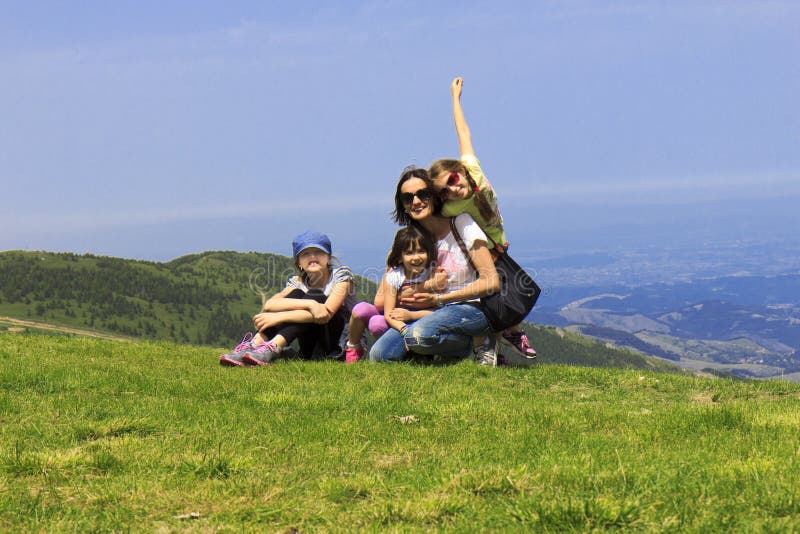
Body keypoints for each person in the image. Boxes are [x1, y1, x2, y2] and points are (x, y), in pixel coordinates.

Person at [427, 76, 537, 358]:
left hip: (501, 244)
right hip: (485, 253)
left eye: (452, 179)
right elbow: (427, 213)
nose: (452, 188)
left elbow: (464, 133)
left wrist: (455, 98)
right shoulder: (452, 208)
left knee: (503, 297)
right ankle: (501, 344)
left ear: (458, 170)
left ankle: (506, 338)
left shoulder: (471, 167)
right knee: (494, 299)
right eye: (445, 190)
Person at [369, 167, 501, 365]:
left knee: (417, 337)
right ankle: (429, 353)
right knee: (379, 356)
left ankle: (472, 343)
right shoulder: (410, 241)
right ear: (403, 205)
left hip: (470, 307)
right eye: (408, 198)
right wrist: (420, 290)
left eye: (422, 194)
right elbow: (380, 301)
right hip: (427, 313)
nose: (416, 202)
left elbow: (491, 282)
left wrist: (439, 298)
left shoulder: (462, 223)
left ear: (435, 196)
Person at [219, 231, 355, 366]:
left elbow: (325, 314)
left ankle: (273, 346)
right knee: (296, 294)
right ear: (299, 262)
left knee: (316, 294)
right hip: (311, 346)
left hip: (337, 345)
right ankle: (255, 344)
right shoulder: (297, 281)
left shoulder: (341, 277)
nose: (312, 256)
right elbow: (270, 304)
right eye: (306, 253)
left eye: (318, 252)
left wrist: (279, 317)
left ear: (328, 258)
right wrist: (310, 304)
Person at [382, 226, 440, 336]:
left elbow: (438, 311)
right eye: (409, 253)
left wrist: (412, 316)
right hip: (401, 323)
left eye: (421, 251)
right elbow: (389, 313)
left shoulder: (432, 274)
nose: (416, 257)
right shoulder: (395, 276)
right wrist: (404, 330)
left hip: (426, 320)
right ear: (400, 257)